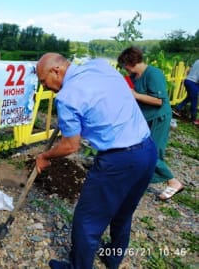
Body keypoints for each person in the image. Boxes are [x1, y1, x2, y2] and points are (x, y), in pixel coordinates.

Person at [36, 53, 157, 269]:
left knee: (87, 221)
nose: (45, 88)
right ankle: (113, 258)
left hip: (118, 161)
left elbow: (71, 145)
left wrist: (44, 156)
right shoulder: (100, 66)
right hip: (147, 151)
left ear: (56, 71)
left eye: (44, 82)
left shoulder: (66, 98)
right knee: (123, 211)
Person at [117, 46, 184, 201]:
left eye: (124, 65)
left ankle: (173, 182)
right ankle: (140, 178)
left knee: (151, 151)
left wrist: (135, 95)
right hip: (145, 118)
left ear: (131, 62)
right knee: (139, 148)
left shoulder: (154, 74)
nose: (124, 69)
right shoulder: (134, 76)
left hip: (159, 118)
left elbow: (159, 100)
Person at [172, 59, 199, 125]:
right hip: (194, 83)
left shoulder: (197, 60)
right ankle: (193, 119)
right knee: (194, 100)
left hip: (187, 80)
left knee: (189, 97)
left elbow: (189, 70)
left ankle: (177, 109)